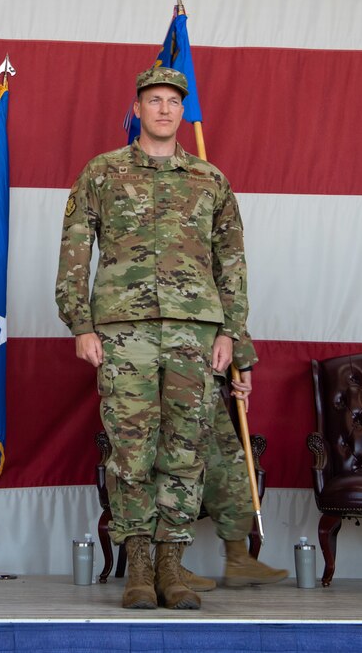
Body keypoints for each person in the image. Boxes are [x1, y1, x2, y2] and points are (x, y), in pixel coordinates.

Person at [56, 66, 248, 610]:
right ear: (137, 109)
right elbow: (74, 250)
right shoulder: (103, 172)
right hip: (123, 331)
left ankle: (172, 564)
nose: (164, 109)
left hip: (195, 331)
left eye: (173, 101)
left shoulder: (209, 179)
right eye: (154, 100)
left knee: (185, 450)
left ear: (182, 111)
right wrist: (81, 324)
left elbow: (231, 262)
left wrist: (232, 334)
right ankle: (138, 563)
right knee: (131, 450)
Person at [181, 333, 287, 591]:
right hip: (160, 368)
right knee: (177, 467)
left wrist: (242, 360)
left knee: (229, 464)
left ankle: (238, 557)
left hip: (203, 372)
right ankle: (166, 564)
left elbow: (230, 306)